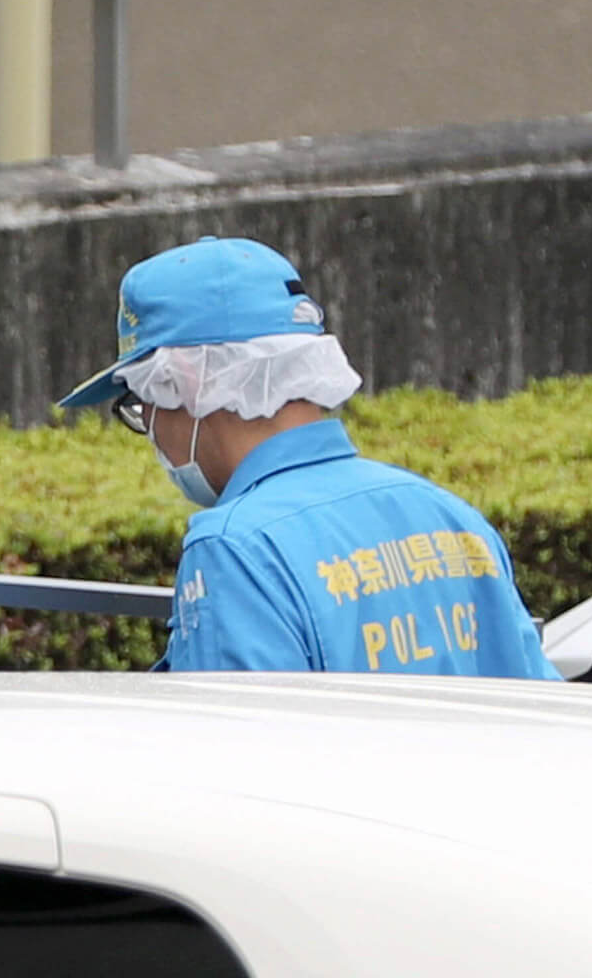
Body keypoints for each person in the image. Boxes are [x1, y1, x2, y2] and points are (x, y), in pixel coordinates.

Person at [58, 236, 559, 678]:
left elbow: (234, 758)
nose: (149, 429)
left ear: (184, 385)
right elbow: (542, 709)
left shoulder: (235, 549)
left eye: (138, 406)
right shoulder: (447, 515)